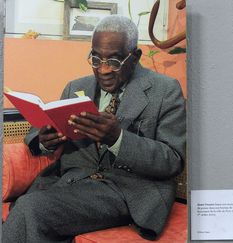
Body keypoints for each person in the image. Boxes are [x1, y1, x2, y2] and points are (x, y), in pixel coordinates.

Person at [3, 15, 186, 242]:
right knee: (24, 211)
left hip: (126, 191)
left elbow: (173, 160)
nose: (104, 70)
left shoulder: (165, 90)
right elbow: (40, 127)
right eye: (96, 59)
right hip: (72, 182)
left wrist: (118, 138)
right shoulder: (76, 87)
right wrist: (43, 138)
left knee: (30, 210)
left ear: (136, 57)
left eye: (114, 61)